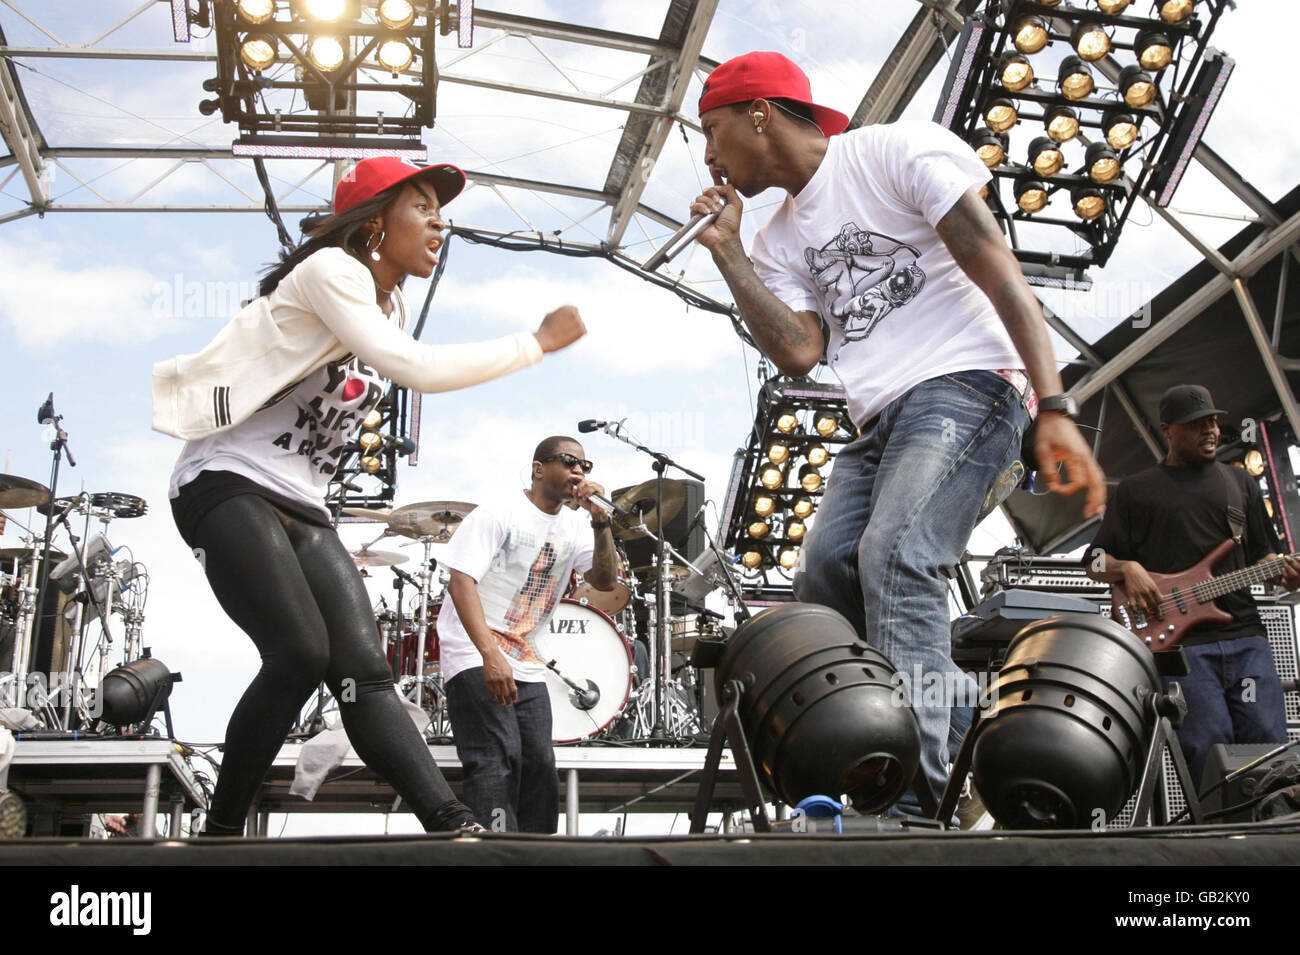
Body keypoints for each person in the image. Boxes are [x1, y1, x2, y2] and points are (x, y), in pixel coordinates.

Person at [688, 51, 1106, 810]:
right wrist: (727, 253)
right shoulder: (777, 239)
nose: (709, 156)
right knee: (824, 576)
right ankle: (876, 759)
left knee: (900, 553)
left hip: (971, 382)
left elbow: (1000, 272)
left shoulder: (893, 151)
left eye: (712, 131)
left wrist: (1054, 405)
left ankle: (924, 795)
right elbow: (798, 349)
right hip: (878, 417)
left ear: (759, 112)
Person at [153, 157, 586, 835]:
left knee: (364, 671)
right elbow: (418, 369)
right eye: (422, 205)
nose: (440, 221)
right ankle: (223, 828)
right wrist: (533, 343)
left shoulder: (393, 303)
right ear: (375, 221)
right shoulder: (332, 272)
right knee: (299, 653)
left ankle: (448, 819)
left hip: (303, 501)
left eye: (440, 209)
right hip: (226, 478)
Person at [1085, 384, 1298, 784]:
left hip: (1246, 637)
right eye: (1197, 424)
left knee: (1272, 750)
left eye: (1214, 421)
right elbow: (1094, 562)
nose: (1211, 430)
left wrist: (1282, 569)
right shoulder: (1137, 490)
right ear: (1168, 430)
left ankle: (1270, 838)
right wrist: (1127, 568)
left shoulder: (1241, 485)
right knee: (1207, 750)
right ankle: (1220, 842)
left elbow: (1264, 556)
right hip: (1183, 648)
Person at [436, 436, 619, 832]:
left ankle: (536, 852)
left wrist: (601, 520)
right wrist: (489, 654)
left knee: (538, 762)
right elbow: (460, 581)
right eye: (569, 461)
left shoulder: (576, 525)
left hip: (526, 657)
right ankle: (495, 854)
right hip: (474, 648)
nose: (579, 472)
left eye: (585, 466)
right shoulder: (501, 513)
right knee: (496, 756)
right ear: (538, 469)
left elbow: (605, 581)